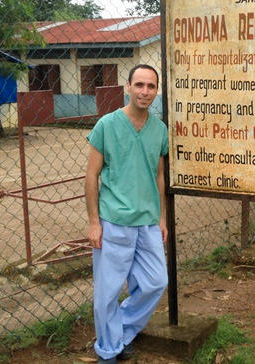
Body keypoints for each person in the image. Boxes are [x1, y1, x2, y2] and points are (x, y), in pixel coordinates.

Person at [85, 64, 169, 363]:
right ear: (129, 87)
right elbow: (91, 176)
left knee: (156, 282)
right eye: (140, 85)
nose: (145, 91)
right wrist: (94, 222)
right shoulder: (107, 126)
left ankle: (120, 329)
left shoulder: (159, 130)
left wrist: (161, 217)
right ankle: (108, 351)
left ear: (156, 90)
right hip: (113, 222)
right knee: (107, 293)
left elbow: (159, 176)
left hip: (147, 221)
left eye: (151, 86)